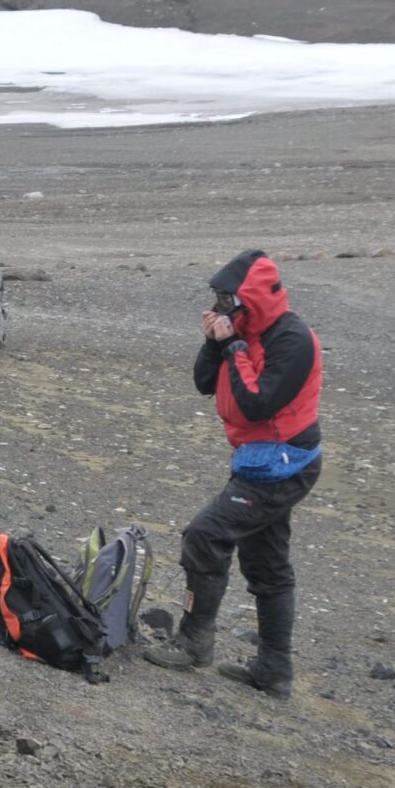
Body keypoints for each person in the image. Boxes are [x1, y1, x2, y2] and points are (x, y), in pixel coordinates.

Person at [142, 249, 323, 696]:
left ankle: (194, 643)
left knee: (205, 535)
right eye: (219, 300)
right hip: (259, 458)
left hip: (284, 462)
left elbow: (258, 403)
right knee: (267, 561)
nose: (221, 308)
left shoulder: (293, 340)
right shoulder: (244, 331)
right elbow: (205, 383)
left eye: (228, 300)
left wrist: (232, 348)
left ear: (251, 299)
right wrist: (214, 343)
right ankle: (274, 670)